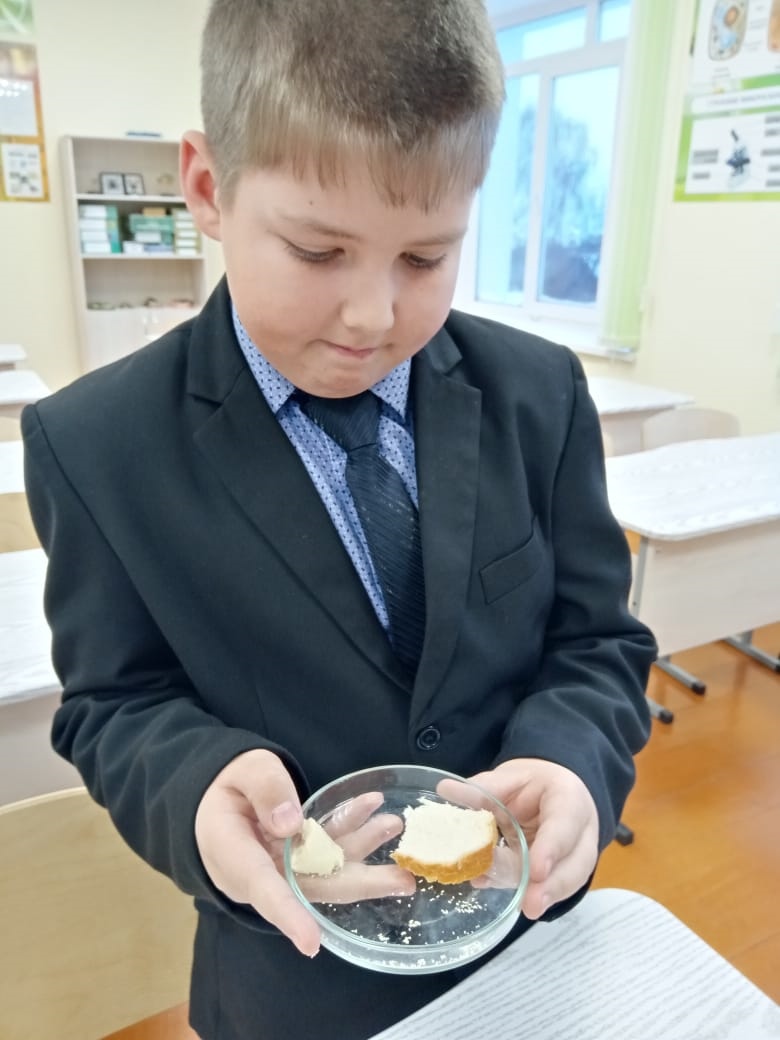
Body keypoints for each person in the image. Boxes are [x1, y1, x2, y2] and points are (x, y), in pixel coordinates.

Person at [22, 1, 657, 1037]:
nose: (374, 315)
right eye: (319, 251)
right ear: (207, 187)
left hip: (527, 949)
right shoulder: (97, 444)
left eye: (426, 258)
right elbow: (115, 700)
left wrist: (571, 759)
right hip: (296, 982)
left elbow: (597, 639)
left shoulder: (539, 392)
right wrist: (198, 786)